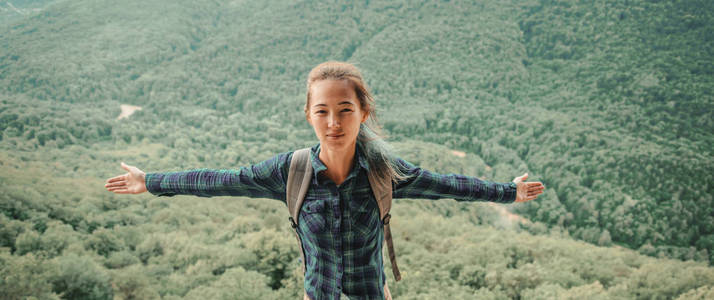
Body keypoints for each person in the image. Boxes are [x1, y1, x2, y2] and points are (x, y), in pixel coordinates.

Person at [104, 61, 545, 300]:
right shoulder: (289, 171)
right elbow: (221, 179)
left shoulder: (382, 170)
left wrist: (510, 191)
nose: (333, 122)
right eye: (322, 111)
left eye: (345, 110)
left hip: (372, 292)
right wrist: (153, 181)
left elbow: (447, 185)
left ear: (362, 113)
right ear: (309, 114)